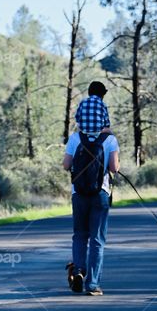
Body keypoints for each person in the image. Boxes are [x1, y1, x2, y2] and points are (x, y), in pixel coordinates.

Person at [63, 81, 119, 296]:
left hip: (79, 194)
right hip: (101, 194)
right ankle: (93, 284)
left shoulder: (75, 138)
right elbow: (114, 167)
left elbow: (67, 165)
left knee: (79, 235)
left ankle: (78, 270)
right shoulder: (110, 139)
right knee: (97, 239)